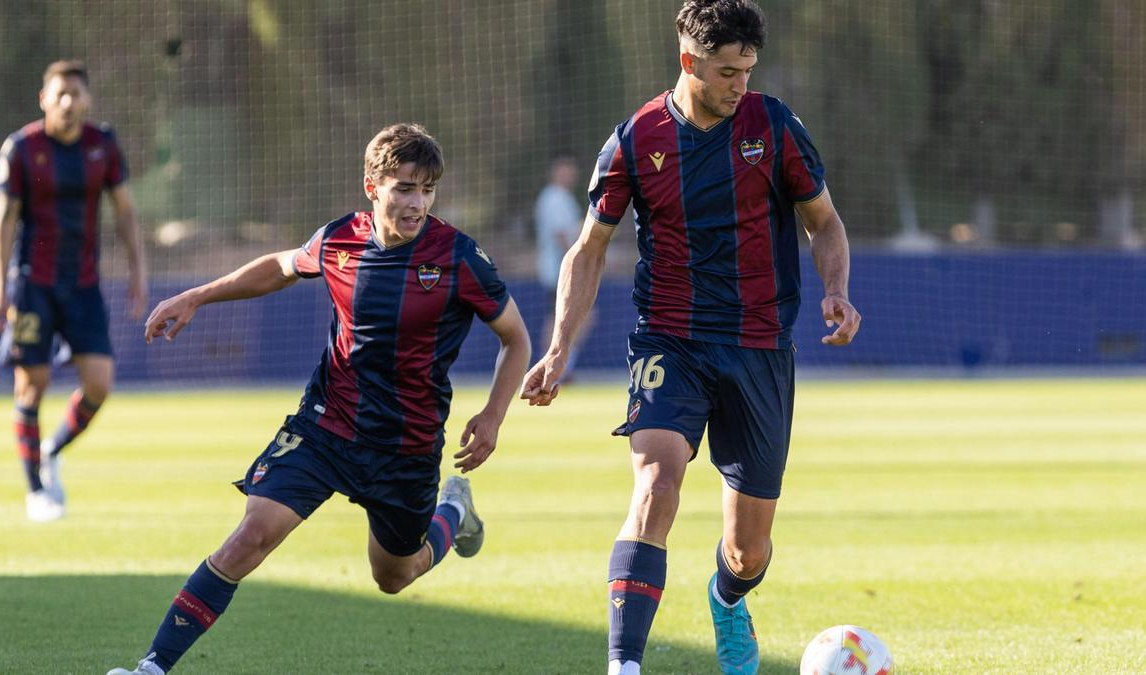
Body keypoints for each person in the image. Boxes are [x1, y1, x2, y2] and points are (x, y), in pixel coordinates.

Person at [107, 123, 531, 675]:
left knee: (394, 576)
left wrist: (494, 415)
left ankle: (453, 510)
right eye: (404, 188)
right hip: (325, 427)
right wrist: (199, 295)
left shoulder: (458, 256)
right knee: (250, 538)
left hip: (405, 446)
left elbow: (516, 338)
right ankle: (151, 667)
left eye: (427, 189)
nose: (416, 203)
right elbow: (281, 267)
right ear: (372, 187)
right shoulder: (338, 239)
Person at [520, 2, 862, 674]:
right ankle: (625, 663)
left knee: (748, 551)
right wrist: (559, 345)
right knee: (655, 482)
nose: (741, 85)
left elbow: (824, 222)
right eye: (728, 72)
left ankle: (727, 598)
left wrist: (837, 289)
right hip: (668, 340)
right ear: (689, 62)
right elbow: (588, 250)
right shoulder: (634, 139)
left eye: (747, 71)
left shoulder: (774, 125)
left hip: (759, 346)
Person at [0, 59, 147, 522]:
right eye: (59, 94)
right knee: (31, 385)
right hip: (32, 285)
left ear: (87, 100)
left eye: (75, 94)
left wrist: (138, 272)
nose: (67, 102)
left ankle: (51, 451)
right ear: (44, 100)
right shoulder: (21, 148)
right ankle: (36, 491)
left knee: (99, 383)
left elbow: (125, 213)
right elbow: (3, 221)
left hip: (82, 286)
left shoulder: (104, 145)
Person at [533, 154, 592, 374]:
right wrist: (578, 261)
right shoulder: (553, 197)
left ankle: (559, 365)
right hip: (558, 269)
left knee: (571, 316)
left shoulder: (564, 198)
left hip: (561, 268)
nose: (569, 175)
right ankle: (552, 365)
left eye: (571, 170)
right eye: (564, 170)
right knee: (561, 317)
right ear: (555, 172)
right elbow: (561, 235)